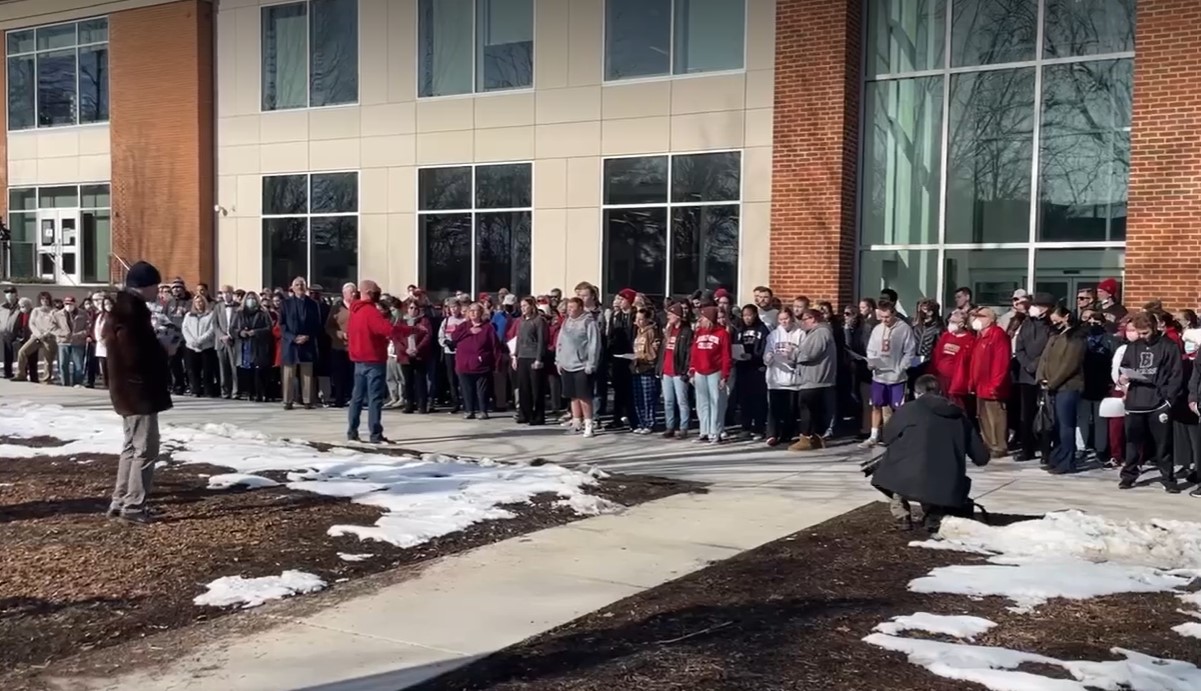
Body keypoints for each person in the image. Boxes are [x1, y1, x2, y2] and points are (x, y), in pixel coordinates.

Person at [104, 261, 176, 524]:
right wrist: (163, 350)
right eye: (156, 285)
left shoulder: (122, 310)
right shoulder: (132, 313)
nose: (158, 290)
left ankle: (120, 499)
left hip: (125, 389)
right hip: (138, 390)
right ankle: (134, 506)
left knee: (131, 447)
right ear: (145, 285)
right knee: (146, 449)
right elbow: (134, 354)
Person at [868, 374, 989, 533]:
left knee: (890, 468)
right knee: (931, 474)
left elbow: (887, 437)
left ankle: (902, 514)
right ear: (940, 392)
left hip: (907, 477)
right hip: (946, 484)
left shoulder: (907, 410)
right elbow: (981, 457)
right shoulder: (959, 415)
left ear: (916, 392)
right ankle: (934, 513)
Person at [346, 280, 422, 443]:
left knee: (357, 397)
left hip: (358, 360)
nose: (378, 294)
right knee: (375, 398)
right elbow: (387, 329)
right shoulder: (369, 311)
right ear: (368, 292)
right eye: (376, 291)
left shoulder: (355, 311)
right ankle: (375, 433)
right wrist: (411, 330)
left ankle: (352, 431)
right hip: (373, 359)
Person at [1118, 312, 1183, 493]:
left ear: (1154, 328)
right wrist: (1123, 378)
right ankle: (1128, 476)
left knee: (1163, 444)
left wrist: (1169, 400)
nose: (1141, 337)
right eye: (1139, 333)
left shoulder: (1168, 346)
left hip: (1159, 401)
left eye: (1145, 333)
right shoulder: (1133, 346)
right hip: (1135, 399)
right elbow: (1124, 367)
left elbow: (1176, 375)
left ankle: (1168, 479)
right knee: (1132, 442)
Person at [1035, 307, 1086, 473]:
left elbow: (1069, 365)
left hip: (1068, 387)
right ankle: (1058, 456)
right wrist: (1041, 377)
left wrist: (1052, 383)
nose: (1054, 322)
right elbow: (1045, 358)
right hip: (1052, 387)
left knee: (1066, 425)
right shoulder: (1057, 336)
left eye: (1057, 319)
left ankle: (1067, 461)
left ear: (1066, 317)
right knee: (1056, 425)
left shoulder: (1076, 338)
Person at [862, 301, 916, 448]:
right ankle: (873, 435)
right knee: (876, 405)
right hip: (879, 375)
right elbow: (871, 349)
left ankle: (898, 435)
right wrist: (871, 362)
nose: (884, 320)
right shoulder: (877, 329)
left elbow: (910, 351)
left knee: (897, 407)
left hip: (896, 376)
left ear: (893, 313)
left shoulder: (904, 329)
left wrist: (902, 367)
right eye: (882, 317)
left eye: (887, 317)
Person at [1013, 292, 1055, 461]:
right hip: (1026, 375)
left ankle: (1046, 451)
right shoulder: (1026, 323)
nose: (1034, 308)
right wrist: (1027, 364)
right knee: (1027, 414)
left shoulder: (1051, 325)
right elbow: (1019, 347)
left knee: (1046, 415)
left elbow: (1049, 348)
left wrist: (1036, 364)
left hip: (1044, 374)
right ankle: (1027, 448)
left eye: (1039, 305)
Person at [789, 309, 836, 451]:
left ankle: (806, 437)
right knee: (813, 409)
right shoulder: (817, 333)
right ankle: (815, 437)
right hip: (813, 377)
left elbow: (811, 354)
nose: (802, 323)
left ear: (813, 319)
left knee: (806, 407)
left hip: (815, 377)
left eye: (805, 319)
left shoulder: (820, 332)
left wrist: (794, 353)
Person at [968, 307, 1011, 458]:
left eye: (980, 316)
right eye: (975, 316)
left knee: (996, 417)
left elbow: (1001, 362)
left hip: (992, 385)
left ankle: (999, 446)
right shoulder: (980, 336)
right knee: (983, 416)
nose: (976, 319)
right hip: (980, 384)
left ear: (990, 319)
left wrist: (996, 384)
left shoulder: (998, 335)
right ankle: (988, 444)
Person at [556, 297, 601, 437]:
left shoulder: (589, 322)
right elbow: (560, 342)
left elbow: (594, 344)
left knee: (584, 396)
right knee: (573, 396)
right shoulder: (566, 322)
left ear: (580, 308)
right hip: (567, 363)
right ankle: (576, 422)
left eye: (572, 308)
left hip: (582, 365)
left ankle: (588, 423)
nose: (569, 310)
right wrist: (558, 360)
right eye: (568, 308)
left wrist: (591, 363)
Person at [689, 306, 732, 445]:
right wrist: (692, 369)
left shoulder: (722, 334)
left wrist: (725, 375)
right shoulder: (699, 333)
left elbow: (726, 355)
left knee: (716, 403)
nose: (700, 320)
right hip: (700, 372)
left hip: (715, 371)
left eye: (703, 317)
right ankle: (704, 431)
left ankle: (716, 432)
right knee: (702, 403)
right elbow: (694, 353)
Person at [455, 302, 503, 420]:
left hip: (481, 365)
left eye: (475, 310)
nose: (472, 312)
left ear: (481, 313)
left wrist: (497, 363)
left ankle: (483, 410)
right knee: (466, 389)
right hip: (463, 364)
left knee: (482, 390)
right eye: (470, 310)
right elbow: (454, 337)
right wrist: (469, 332)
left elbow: (495, 347)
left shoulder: (488, 328)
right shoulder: (463, 326)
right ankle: (469, 410)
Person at [279, 276, 321, 410]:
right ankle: (287, 401)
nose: (300, 287)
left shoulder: (313, 304)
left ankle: (308, 401)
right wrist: (293, 337)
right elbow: (282, 325)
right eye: (297, 285)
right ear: (292, 287)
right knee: (289, 374)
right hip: (291, 343)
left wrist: (307, 336)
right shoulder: (285, 304)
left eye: (302, 284)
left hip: (307, 343)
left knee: (307, 373)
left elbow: (317, 324)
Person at [764, 307, 804, 447]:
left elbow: (803, 353)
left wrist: (793, 354)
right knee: (774, 408)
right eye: (781, 320)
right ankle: (772, 434)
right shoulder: (773, 335)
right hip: (776, 378)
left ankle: (787, 434)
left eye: (786, 319)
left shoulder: (800, 334)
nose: (784, 322)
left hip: (793, 379)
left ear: (792, 318)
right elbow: (767, 352)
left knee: (790, 409)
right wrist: (768, 358)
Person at [732, 305, 770, 440]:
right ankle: (745, 427)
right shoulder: (740, 329)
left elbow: (765, 348)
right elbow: (736, 344)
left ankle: (759, 427)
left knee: (758, 400)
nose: (747, 318)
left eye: (750, 315)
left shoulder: (762, 329)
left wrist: (754, 357)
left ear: (755, 314)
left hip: (757, 369)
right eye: (744, 315)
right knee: (744, 400)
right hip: (743, 368)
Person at [657, 303, 693, 439]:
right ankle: (669, 426)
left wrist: (686, 369)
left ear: (678, 316)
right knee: (668, 401)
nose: (668, 317)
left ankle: (683, 427)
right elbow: (663, 351)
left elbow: (689, 352)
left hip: (678, 370)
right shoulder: (668, 330)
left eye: (671, 314)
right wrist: (659, 368)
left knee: (682, 401)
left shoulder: (686, 331)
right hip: (666, 370)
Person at [513, 296, 550, 425]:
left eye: (525, 306)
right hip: (522, 357)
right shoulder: (521, 321)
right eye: (521, 306)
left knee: (536, 388)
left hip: (534, 356)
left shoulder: (539, 321)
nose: (523, 308)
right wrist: (515, 355)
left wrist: (539, 358)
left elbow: (541, 341)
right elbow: (518, 339)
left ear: (532, 306)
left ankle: (538, 416)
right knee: (523, 387)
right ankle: (524, 414)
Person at [232, 291, 274, 402]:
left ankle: (260, 393)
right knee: (246, 371)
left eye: (253, 298)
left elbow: (269, 328)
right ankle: (248, 393)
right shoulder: (239, 313)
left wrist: (256, 332)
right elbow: (232, 329)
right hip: (244, 345)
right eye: (249, 298)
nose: (251, 301)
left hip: (258, 345)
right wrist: (240, 333)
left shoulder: (263, 313)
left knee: (258, 370)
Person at [931, 310, 975, 409]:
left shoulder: (969, 339)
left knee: (956, 405)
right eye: (950, 321)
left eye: (953, 322)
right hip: (941, 377)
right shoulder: (946, 335)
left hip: (956, 379)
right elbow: (937, 354)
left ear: (961, 324)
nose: (950, 324)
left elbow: (967, 362)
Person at [397, 299, 433, 414]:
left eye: (416, 308)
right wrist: (405, 349)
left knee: (420, 380)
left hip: (419, 355)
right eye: (411, 308)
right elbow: (397, 338)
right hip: (406, 355)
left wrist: (417, 349)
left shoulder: (424, 321)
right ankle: (409, 404)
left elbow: (428, 336)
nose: (413, 310)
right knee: (408, 381)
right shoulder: (401, 321)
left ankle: (422, 404)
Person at [630, 307, 661, 434]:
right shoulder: (638, 332)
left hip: (647, 367)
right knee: (638, 397)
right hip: (637, 368)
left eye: (641, 319)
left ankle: (650, 423)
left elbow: (654, 352)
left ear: (647, 319)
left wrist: (643, 357)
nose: (638, 322)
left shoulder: (651, 332)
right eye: (637, 319)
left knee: (648, 397)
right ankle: (642, 422)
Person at [326, 282, 357, 408]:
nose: (355, 294)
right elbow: (328, 327)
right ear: (345, 294)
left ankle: (353, 398)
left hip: (355, 347)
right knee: (339, 374)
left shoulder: (358, 307)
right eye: (352, 292)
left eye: (355, 292)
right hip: (339, 347)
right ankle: (339, 398)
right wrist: (339, 334)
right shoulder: (336, 309)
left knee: (354, 374)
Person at [181, 294, 219, 398]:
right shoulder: (189, 315)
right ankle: (195, 390)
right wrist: (191, 341)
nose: (199, 304)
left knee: (207, 370)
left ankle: (208, 391)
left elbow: (212, 330)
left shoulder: (210, 315)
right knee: (193, 370)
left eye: (201, 301)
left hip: (206, 346)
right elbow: (185, 329)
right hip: (191, 346)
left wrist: (200, 340)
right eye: (197, 302)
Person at [438, 298, 467, 414]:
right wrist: (445, 343)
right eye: (451, 307)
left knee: (462, 378)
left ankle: (465, 401)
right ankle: (455, 403)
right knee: (452, 379)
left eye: (456, 307)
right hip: (448, 352)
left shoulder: (464, 321)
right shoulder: (446, 321)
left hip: (460, 352)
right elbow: (440, 336)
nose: (454, 309)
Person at [52, 296, 89, 387]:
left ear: (75, 304)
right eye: (66, 304)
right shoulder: (57, 314)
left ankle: (77, 383)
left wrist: (78, 335)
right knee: (63, 364)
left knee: (78, 365)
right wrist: (63, 333)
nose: (68, 306)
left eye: (70, 304)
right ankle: (65, 383)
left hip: (78, 342)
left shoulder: (83, 314)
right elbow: (52, 327)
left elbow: (88, 328)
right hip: (63, 342)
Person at [214, 285, 240, 399]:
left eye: (228, 293)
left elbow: (241, 323)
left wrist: (233, 335)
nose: (225, 295)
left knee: (234, 367)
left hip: (234, 341)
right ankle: (225, 391)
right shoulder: (218, 307)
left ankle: (236, 391)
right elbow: (215, 324)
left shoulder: (238, 307)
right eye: (223, 293)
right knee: (223, 367)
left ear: (232, 294)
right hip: (221, 341)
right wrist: (222, 336)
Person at [92, 295, 112, 385]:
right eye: (106, 304)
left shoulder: (117, 315)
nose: (108, 306)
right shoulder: (101, 316)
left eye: (109, 303)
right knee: (103, 365)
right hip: (102, 344)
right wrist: (100, 339)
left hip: (113, 344)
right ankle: (106, 383)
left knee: (112, 366)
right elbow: (96, 329)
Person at [0, 286, 19, 378]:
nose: (9, 295)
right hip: (5, 333)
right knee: (7, 354)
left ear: (15, 294)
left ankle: (21, 373)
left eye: (11, 292)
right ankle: (7, 372)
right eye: (7, 293)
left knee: (19, 354)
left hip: (17, 333)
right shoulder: (2, 307)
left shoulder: (20, 306)